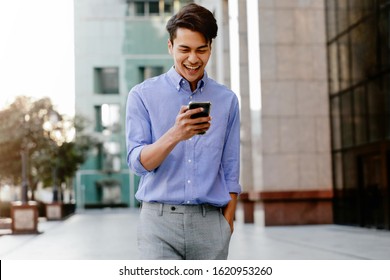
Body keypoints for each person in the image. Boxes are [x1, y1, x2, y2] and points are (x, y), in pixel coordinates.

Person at [125, 3, 241, 260]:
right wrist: (176, 134)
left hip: (210, 223)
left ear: (210, 47)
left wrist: (227, 223)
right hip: (158, 223)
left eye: (201, 49)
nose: (192, 59)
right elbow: (137, 163)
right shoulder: (142, 95)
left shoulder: (227, 100)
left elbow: (231, 168)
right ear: (170, 47)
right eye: (184, 49)